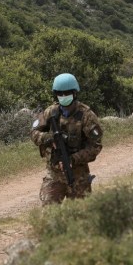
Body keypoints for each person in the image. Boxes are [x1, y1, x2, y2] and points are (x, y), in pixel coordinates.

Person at [30, 73, 103, 205]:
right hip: (54, 174)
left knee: (79, 213)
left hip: (78, 175)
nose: (64, 96)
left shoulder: (86, 115)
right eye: (60, 93)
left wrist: (73, 159)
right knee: (49, 211)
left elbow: (95, 146)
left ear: (74, 93)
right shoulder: (50, 112)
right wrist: (48, 138)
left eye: (67, 93)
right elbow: (34, 133)